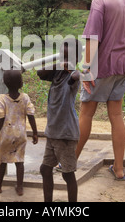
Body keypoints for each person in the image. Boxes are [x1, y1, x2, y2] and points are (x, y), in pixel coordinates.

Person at [75, 0, 125, 180]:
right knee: (116, 116)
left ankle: (69, 162)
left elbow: (92, 38)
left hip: (101, 66)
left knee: (86, 113)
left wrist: (86, 71)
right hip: (123, 64)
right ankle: (119, 169)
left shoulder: (100, 0)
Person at [37, 39, 83, 202]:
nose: (64, 61)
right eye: (61, 55)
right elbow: (40, 73)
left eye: (67, 57)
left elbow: (76, 76)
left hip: (65, 134)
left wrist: (70, 67)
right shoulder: (56, 73)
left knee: (67, 174)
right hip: (53, 132)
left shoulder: (72, 76)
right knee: (45, 169)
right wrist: (57, 63)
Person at [0, 70, 38, 196]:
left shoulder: (2, 98)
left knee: (1, 160)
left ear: (5, 83)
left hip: (6, 135)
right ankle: (20, 187)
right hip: (21, 135)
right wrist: (35, 132)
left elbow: (0, 118)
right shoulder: (25, 97)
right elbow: (31, 115)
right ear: (21, 83)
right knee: (19, 161)